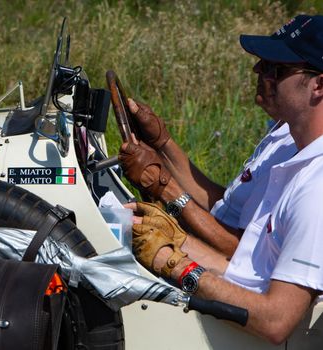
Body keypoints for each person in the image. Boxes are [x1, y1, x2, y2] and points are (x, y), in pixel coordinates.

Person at [119, 14, 323, 344]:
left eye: (276, 69)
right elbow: (247, 266)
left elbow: (275, 322)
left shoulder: (315, 188)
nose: (259, 72)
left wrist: (177, 264)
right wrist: (174, 240)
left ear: (319, 85)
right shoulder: (296, 159)